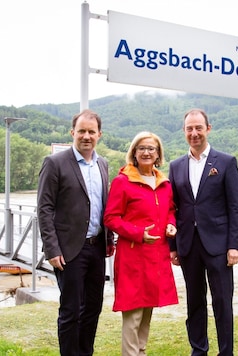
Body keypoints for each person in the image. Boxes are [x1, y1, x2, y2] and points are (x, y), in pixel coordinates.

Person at [37, 109, 115, 356]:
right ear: (73, 133)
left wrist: (109, 238)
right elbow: (44, 208)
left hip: (96, 248)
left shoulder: (103, 164)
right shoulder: (55, 163)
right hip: (69, 250)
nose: (86, 136)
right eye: (81, 131)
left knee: (93, 307)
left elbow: (104, 205)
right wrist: (52, 249)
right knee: (71, 310)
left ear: (99, 135)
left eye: (91, 132)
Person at [168, 108, 238, 356]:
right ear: (184, 131)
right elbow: (173, 209)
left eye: (198, 128)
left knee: (222, 303)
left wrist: (235, 245)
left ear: (208, 129)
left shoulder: (226, 162)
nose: (194, 133)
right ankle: (198, 350)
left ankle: (225, 352)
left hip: (219, 246)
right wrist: (174, 247)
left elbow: (235, 207)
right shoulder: (176, 165)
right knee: (195, 302)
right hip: (189, 245)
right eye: (189, 128)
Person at [103, 131, 179, 356]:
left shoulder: (163, 183)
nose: (146, 152)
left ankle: (141, 352)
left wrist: (171, 225)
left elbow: (171, 210)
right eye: (142, 148)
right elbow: (110, 217)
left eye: (151, 149)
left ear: (158, 154)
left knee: (147, 311)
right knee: (133, 314)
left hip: (157, 256)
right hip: (133, 257)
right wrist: (137, 233)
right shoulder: (122, 182)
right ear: (134, 153)